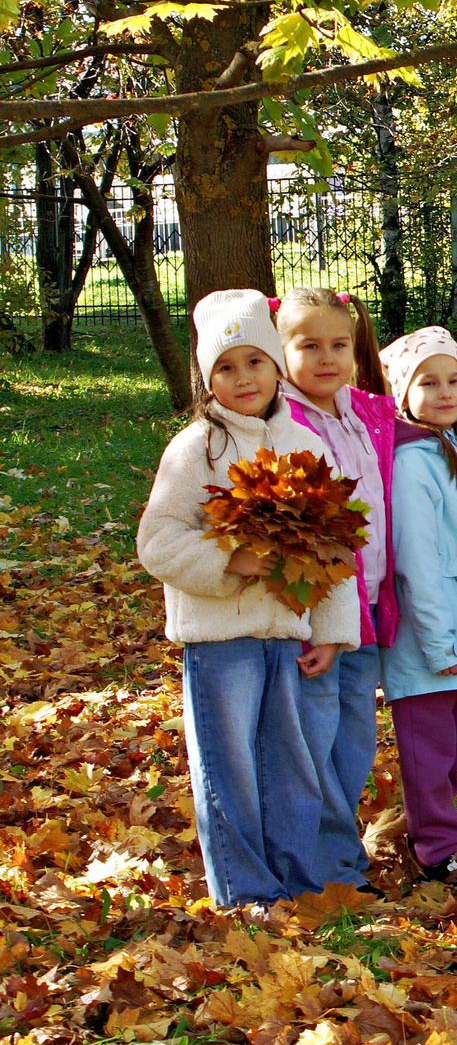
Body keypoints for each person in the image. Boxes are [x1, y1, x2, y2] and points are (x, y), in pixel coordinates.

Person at [139, 291, 360, 910]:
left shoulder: (304, 445)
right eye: (226, 367)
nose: (243, 379)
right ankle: (244, 889)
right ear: (206, 377)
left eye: (255, 362)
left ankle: (295, 878)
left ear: (275, 367)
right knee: (229, 766)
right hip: (220, 640)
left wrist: (334, 629)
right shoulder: (195, 448)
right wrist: (225, 560)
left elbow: (334, 546)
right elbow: (156, 539)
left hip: (287, 633)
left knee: (290, 763)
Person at [275, 286, 399, 891]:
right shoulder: (281, 423)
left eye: (339, 344)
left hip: (370, 608)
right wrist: (319, 619)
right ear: (280, 352)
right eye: (308, 346)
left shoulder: (371, 412)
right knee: (314, 741)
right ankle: (324, 867)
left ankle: (338, 851)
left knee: (353, 743)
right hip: (320, 616)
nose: (326, 358)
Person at [380, 327, 457, 887]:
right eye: (427, 382)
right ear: (402, 390)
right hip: (429, 640)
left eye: (454, 379)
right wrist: (437, 642)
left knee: (452, 747)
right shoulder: (412, 461)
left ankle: (438, 836)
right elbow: (419, 564)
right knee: (428, 752)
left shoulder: (450, 446)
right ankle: (436, 848)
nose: (445, 392)